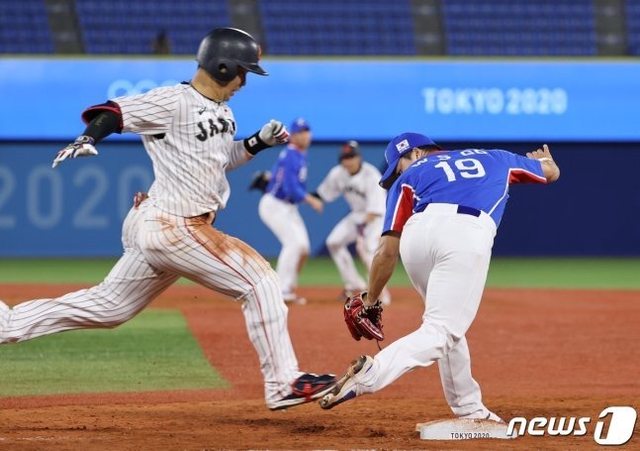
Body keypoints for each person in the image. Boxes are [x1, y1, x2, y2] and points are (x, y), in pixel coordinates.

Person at [0, 27, 336, 411]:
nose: (244, 81)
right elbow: (114, 112)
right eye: (243, 72)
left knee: (110, 307)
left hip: (166, 223)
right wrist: (88, 137)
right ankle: (282, 382)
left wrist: (258, 142)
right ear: (224, 67)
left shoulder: (224, 112)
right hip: (175, 224)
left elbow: (220, 160)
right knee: (260, 281)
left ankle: (6, 323)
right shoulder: (174, 101)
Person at [320, 133, 560, 427]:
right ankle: (373, 373)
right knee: (441, 329)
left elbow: (386, 252)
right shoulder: (494, 156)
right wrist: (546, 161)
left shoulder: (407, 179)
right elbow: (550, 173)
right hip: (465, 231)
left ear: (417, 153)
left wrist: (370, 299)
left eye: (399, 165)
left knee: (442, 323)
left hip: (416, 236)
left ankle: (468, 408)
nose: (398, 171)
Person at [315, 140, 391, 305]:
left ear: (358, 157)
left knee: (368, 250)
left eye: (351, 157)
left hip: (376, 217)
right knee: (334, 242)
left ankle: (381, 294)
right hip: (357, 215)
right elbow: (322, 194)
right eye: (345, 158)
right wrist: (312, 199)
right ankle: (354, 284)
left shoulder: (371, 175)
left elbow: (375, 210)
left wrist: (361, 234)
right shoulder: (338, 173)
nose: (348, 161)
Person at [258, 118, 323, 304]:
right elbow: (291, 188)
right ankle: (279, 290)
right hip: (275, 205)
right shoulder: (291, 154)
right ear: (292, 136)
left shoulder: (297, 155)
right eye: (301, 132)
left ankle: (289, 286)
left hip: (287, 207)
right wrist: (311, 200)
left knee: (303, 248)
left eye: (307, 131)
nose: (306, 135)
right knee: (293, 244)